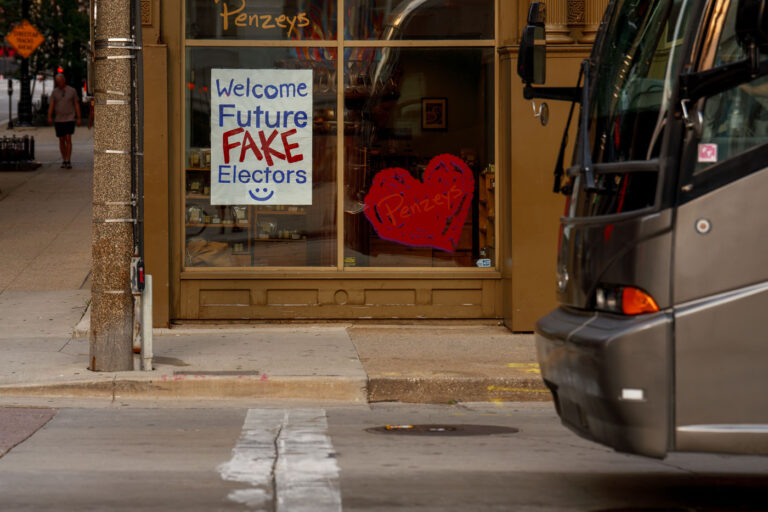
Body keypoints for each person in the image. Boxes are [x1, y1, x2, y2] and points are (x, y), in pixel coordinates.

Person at [47, 73, 81, 169]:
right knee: (61, 139)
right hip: (59, 119)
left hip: (69, 118)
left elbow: (76, 104)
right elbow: (52, 105)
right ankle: (64, 158)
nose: (59, 83)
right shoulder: (55, 92)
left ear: (64, 80)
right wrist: (49, 116)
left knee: (68, 138)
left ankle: (68, 160)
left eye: (60, 81)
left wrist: (79, 117)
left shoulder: (72, 91)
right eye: (57, 82)